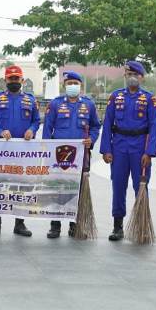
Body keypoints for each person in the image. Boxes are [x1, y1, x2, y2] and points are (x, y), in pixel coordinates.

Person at [99, 61, 156, 241]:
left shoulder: (149, 99)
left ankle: (141, 225)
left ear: (141, 77)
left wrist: (149, 152)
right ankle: (117, 226)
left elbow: (154, 127)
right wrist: (106, 149)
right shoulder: (115, 97)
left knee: (140, 186)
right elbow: (108, 124)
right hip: (119, 146)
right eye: (128, 74)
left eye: (135, 74)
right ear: (125, 76)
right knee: (118, 186)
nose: (131, 77)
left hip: (140, 146)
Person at [0, 65, 41, 237]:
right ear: (5, 80)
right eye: (11, 79)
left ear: (22, 80)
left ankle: (20, 223)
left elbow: (37, 121)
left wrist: (32, 130)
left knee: (22, 186)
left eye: (17, 79)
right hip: (2, 150)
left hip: (23, 151)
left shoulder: (31, 100)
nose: (14, 81)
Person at [42, 70, 100, 238]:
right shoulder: (55, 104)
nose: (72, 86)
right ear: (64, 86)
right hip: (58, 155)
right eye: (69, 84)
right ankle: (55, 225)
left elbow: (96, 126)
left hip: (80, 155)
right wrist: (46, 149)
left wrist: (92, 139)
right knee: (58, 187)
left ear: (80, 86)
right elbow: (47, 127)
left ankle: (75, 225)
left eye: (75, 84)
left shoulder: (89, 105)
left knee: (78, 190)